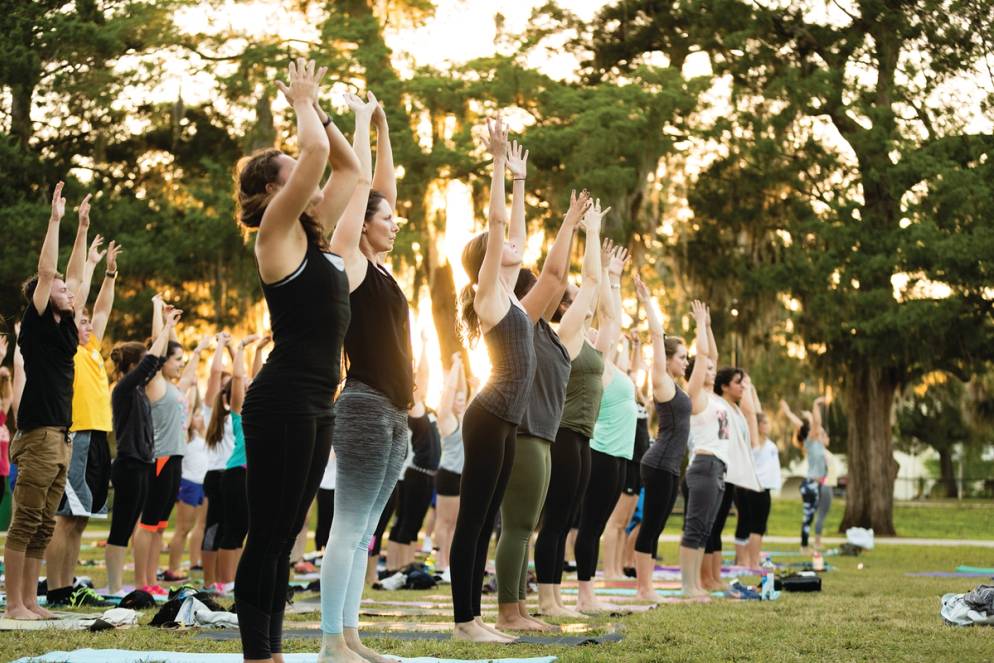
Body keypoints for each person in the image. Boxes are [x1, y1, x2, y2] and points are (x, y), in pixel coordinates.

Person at [234, 57, 360, 663]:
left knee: (287, 536)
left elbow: (349, 168)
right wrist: (303, 103)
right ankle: (260, 654)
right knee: (270, 534)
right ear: (270, 191)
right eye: (287, 174)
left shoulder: (314, 231)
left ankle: (272, 649)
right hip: (281, 399)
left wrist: (324, 111)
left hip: (317, 399)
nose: (303, 180)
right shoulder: (277, 231)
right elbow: (314, 158)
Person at [317, 88, 413, 663]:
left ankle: (352, 637)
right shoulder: (350, 263)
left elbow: (384, 188)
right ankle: (332, 644)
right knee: (347, 527)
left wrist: (381, 125)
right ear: (364, 225)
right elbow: (360, 189)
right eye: (388, 218)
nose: (395, 223)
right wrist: (355, 121)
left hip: (394, 410)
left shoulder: (384, 270)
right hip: (363, 405)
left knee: (365, 532)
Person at [450, 117, 537, 643]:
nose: (512, 244)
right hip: (487, 417)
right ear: (485, 258)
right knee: (473, 521)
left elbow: (516, 233)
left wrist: (522, 181)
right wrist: (499, 166)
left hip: (505, 420)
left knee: (489, 523)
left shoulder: (508, 291)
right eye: (499, 242)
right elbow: (498, 222)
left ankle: (475, 619)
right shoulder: (488, 296)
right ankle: (465, 624)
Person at [495, 185, 597, 632]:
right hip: (524, 432)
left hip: (542, 435)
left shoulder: (553, 336)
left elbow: (584, 289)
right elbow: (554, 275)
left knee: (525, 526)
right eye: (536, 288)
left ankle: (520, 609)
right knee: (517, 527)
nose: (552, 294)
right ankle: (509, 613)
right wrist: (569, 223)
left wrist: (589, 238)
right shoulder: (521, 320)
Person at [4, 182, 81, 621]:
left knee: (44, 523)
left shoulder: (67, 330)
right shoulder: (36, 324)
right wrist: (56, 220)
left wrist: (83, 229)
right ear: (43, 293)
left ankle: (30, 601)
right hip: (37, 435)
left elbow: (74, 278)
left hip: (62, 436)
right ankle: (14, 604)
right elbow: (49, 272)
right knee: (25, 520)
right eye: (60, 289)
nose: (67, 291)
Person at [533, 203, 605, 618]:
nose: (584, 301)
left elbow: (596, 288)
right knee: (556, 519)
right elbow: (590, 281)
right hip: (561, 435)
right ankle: (547, 600)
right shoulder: (567, 333)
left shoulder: (580, 335)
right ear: (564, 306)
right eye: (574, 299)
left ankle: (555, 598)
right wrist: (589, 232)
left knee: (565, 519)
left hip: (580, 436)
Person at [46, 232, 122, 609]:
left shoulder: (90, 347)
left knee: (79, 517)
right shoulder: (64, 348)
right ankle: (56, 588)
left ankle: (68, 585)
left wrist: (109, 274)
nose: (90, 324)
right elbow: (76, 291)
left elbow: (103, 309)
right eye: (83, 319)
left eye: (89, 321)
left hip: (96, 435)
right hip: (75, 433)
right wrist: (87, 261)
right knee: (65, 516)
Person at [105, 306, 183, 595]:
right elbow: (154, 361)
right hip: (127, 464)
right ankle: (115, 588)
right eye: (142, 365)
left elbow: (155, 360)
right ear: (133, 366)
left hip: (141, 463)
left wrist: (167, 326)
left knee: (128, 529)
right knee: (121, 530)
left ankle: (124, 586)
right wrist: (164, 325)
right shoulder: (124, 388)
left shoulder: (137, 391)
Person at [574, 241, 634, 614]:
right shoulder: (593, 361)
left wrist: (615, 278)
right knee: (591, 526)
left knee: (596, 526)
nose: (600, 332)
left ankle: (589, 592)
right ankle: (585, 595)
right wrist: (607, 277)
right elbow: (607, 318)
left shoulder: (610, 365)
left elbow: (613, 318)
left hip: (619, 455)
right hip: (601, 454)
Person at [630, 274, 696, 602]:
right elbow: (657, 334)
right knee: (651, 525)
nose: (686, 361)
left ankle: (647, 585)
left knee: (657, 527)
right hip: (657, 464)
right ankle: (644, 588)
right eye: (682, 357)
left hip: (670, 466)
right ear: (667, 360)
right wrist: (646, 301)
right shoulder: (662, 381)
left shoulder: (679, 388)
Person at [133, 297, 205, 595]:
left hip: (175, 459)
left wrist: (197, 349)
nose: (181, 364)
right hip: (158, 459)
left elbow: (183, 364)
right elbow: (157, 353)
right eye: (177, 360)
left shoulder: (176, 389)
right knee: (148, 524)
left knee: (160, 525)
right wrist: (157, 313)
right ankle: (141, 583)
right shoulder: (155, 384)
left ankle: (152, 581)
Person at [698, 369, 760, 592]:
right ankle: (705, 578)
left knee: (718, 527)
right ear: (724, 386)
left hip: (730, 475)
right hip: (717, 471)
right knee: (710, 528)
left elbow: (754, 415)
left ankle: (715, 577)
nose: (742, 386)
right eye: (738, 382)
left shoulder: (736, 409)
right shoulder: (718, 405)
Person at [386, 338, 440, 572]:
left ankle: (405, 567)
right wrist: (416, 355)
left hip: (427, 476)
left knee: (413, 524)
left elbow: (424, 381)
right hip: (413, 474)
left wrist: (427, 348)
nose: (424, 386)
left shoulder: (427, 410)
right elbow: (420, 380)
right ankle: (395, 567)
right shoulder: (411, 408)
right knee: (404, 523)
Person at [602, 335, 649, 581]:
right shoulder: (618, 388)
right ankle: (609, 570)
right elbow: (623, 368)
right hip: (625, 457)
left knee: (626, 521)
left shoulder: (638, 397)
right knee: (616, 522)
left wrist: (636, 347)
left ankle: (618, 568)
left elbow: (635, 370)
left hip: (638, 462)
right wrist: (619, 345)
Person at [201, 332, 235, 589]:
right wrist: (221, 346)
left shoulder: (237, 414)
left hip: (231, 475)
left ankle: (224, 581)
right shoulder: (212, 414)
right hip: (217, 475)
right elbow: (214, 376)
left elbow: (242, 380)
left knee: (228, 529)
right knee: (214, 529)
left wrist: (236, 351)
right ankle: (210, 581)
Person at [167, 380, 210, 579]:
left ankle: (195, 563)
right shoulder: (186, 435)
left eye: (201, 416)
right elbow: (190, 406)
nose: (199, 419)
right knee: (182, 528)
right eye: (196, 416)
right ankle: (172, 568)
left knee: (199, 526)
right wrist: (193, 386)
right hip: (189, 484)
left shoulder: (202, 436)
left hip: (203, 484)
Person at [433, 352, 467, 580]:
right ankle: (440, 563)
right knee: (444, 522)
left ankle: (449, 564)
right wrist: (454, 365)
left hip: (460, 476)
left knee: (455, 523)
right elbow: (450, 392)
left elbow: (462, 390)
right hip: (447, 474)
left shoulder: (464, 415)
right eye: (458, 398)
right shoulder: (446, 417)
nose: (461, 399)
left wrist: (463, 366)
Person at [734, 410, 781, 568]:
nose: (768, 425)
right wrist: (748, 389)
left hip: (763, 488)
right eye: (765, 422)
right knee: (756, 527)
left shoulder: (768, 444)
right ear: (758, 426)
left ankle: (747, 560)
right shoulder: (755, 444)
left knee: (754, 527)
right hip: (757, 488)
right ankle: (750, 562)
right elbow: (751, 413)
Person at [783, 396, 831, 550]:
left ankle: (806, 544)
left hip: (814, 484)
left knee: (809, 517)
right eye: (814, 429)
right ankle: (804, 546)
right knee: (808, 516)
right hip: (810, 485)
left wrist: (789, 412)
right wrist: (815, 404)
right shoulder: (810, 442)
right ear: (809, 432)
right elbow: (816, 423)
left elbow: (806, 423)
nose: (818, 430)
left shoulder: (815, 442)